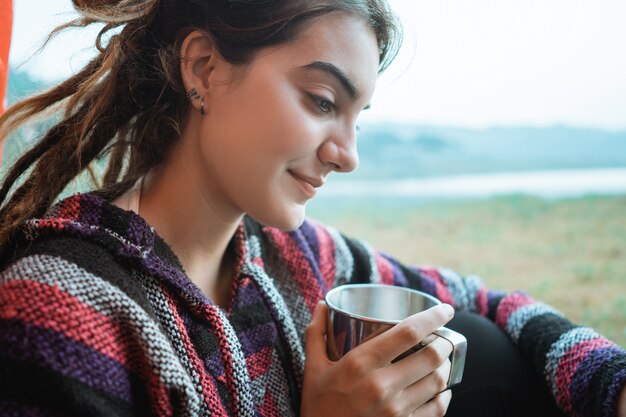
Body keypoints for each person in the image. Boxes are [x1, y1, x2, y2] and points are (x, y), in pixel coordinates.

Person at [0, 1, 624, 416]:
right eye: (323, 101)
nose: (347, 155)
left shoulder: (299, 257)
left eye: (358, 118)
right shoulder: (59, 303)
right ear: (204, 68)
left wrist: (612, 384)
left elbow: (482, 301)